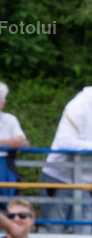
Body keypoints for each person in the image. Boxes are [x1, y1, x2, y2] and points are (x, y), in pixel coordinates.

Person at [42, 87, 92, 228]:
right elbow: (64, 142)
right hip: (58, 178)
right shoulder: (80, 104)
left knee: (85, 234)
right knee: (53, 235)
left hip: (83, 184)